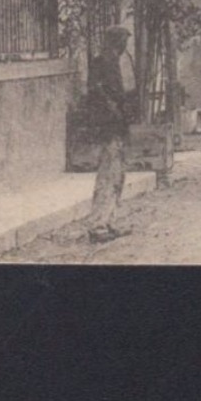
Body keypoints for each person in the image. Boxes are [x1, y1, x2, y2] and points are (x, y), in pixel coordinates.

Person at [85, 26, 132, 242]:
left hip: (117, 125)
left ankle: (109, 221)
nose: (125, 46)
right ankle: (98, 225)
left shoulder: (113, 61)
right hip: (107, 126)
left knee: (117, 175)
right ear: (115, 41)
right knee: (107, 174)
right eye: (122, 41)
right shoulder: (101, 61)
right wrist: (111, 107)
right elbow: (96, 91)